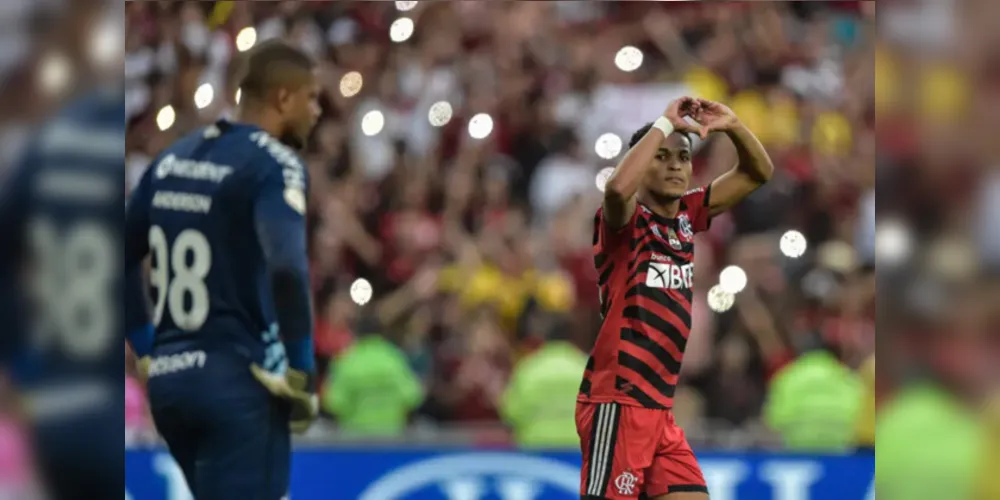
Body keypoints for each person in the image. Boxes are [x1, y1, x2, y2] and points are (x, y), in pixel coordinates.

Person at [124, 40, 321, 499]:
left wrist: (148, 348)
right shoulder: (275, 165)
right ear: (282, 99)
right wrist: (302, 372)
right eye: (311, 97)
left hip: (173, 388)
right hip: (240, 383)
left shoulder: (172, 158)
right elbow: (288, 267)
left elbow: (120, 254)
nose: (317, 111)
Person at [577, 97, 773, 500]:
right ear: (641, 160)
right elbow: (616, 188)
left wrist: (734, 126)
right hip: (618, 402)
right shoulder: (624, 223)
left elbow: (758, 172)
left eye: (682, 158)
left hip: (660, 409)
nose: (674, 166)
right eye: (661, 157)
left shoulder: (687, 216)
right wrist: (664, 124)